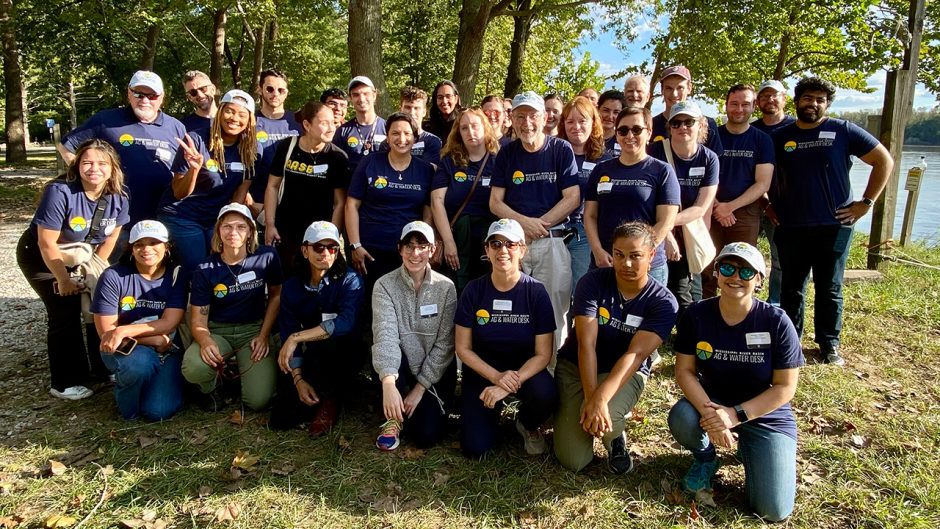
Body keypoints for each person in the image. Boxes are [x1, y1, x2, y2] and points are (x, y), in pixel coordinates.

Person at [669, 242, 804, 522]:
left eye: (746, 271)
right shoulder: (695, 315)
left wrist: (734, 415)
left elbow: (785, 388)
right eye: (728, 268)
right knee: (682, 415)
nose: (736, 277)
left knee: (773, 510)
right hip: (712, 401)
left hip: (764, 412)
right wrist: (711, 414)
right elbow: (684, 372)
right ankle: (706, 458)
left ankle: (749, 447)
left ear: (759, 279)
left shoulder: (776, 321)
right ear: (716, 273)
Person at [769, 77, 893, 366]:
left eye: (820, 100)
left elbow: (884, 160)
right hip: (791, 226)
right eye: (808, 98)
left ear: (827, 104)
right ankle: (791, 341)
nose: (813, 104)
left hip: (834, 225)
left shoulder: (842, 130)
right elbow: (762, 175)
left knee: (830, 286)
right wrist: (767, 204)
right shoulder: (780, 137)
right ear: (797, 101)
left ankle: (829, 344)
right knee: (791, 287)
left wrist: (866, 203)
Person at [554, 222, 678, 473]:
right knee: (574, 460)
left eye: (635, 256)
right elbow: (585, 343)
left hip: (625, 372)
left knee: (607, 407)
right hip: (577, 366)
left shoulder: (664, 302)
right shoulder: (592, 283)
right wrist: (592, 399)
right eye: (619, 255)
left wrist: (600, 400)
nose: (626, 264)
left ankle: (616, 440)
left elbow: (636, 354)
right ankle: (585, 411)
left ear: (652, 255)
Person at [17, 139, 130, 400]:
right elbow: (46, 243)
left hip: (83, 256)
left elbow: (111, 237)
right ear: (77, 164)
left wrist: (95, 272)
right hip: (43, 258)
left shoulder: (119, 196)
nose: (94, 169)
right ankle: (65, 380)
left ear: (113, 168)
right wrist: (63, 279)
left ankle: (103, 368)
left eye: (102, 163)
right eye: (87, 162)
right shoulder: (60, 192)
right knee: (64, 308)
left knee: (97, 304)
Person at [455, 219, 558, 457]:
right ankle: (488, 416)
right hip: (484, 372)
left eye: (511, 244)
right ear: (486, 250)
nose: (503, 250)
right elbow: (462, 348)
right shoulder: (473, 290)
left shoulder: (536, 292)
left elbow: (544, 354)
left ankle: (527, 423)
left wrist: (511, 381)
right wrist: (496, 377)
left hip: (525, 370)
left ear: (523, 249)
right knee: (475, 449)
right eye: (496, 244)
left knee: (546, 394)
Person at [490, 91, 580, 351]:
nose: (526, 122)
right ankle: (516, 372)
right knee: (512, 308)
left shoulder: (561, 149)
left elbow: (572, 197)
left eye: (532, 115)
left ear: (544, 117)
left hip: (551, 242)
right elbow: (495, 202)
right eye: (520, 116)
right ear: (512, 119)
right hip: (514, 246)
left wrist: (538, 225)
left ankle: (549, 375)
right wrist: (522, 226)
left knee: (553, 310)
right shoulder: (507, 154)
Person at [182, 203, 282, 411]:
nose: (233, 232)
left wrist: (264, 335)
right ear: (218, 230)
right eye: (227, 226)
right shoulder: (205, 269)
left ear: (250, 231)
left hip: (253, 330)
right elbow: (198, 319)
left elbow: (276, 296)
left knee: (258, 401)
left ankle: (240, 377)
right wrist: (205, 340)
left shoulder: (267, 257)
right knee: (194, 367)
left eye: (240, 227)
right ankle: (209, 388)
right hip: (218, 331)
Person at [270, 221, 363, 435]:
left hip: (342, 352)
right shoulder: (292, 286)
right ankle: (310, 394)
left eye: (332, 248)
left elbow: (346, 322)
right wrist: (298, 379)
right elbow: (287, 331)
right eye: (318, 247)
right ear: (305, 250)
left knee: (333, 346)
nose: (325, 253)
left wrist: (297, 337)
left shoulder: (350, 280)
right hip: (309, 354)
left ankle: (331, 400)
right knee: (281, 419)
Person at [59, 71, 185, 229]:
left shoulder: (176, 127)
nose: (145, 100)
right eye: (139, 94)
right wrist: (86, 176)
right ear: (129, 94)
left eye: (152, 95)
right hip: (113, 215)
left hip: (162, 216)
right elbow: (66, 146)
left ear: (161, 97)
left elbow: (184, 170)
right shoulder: (106, 120)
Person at [372, 221, 457, 450]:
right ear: (399, 249)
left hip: (433, 371)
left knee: (426, 436)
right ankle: (393, 418)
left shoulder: (446, 288)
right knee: (388, 359)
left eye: (422, 246)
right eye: (408, 246)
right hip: (400, 368)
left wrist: (420, 389)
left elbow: (445, 344)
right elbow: (385, 335)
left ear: (433, 249)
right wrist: (389, 383)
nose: (415, 253)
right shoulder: (384, 286)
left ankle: (412, 407)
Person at [91, 220, 187, 420]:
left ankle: (148, 386)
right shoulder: (113, 276)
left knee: (158, 411)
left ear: (166, 247)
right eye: (139, 244)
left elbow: (169, 322)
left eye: (154, 243)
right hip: (127, 350)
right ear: (131, 248)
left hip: (165, 351)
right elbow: (107, 335)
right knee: (140, 364)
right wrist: (154, 340)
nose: (147, 249)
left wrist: (124, 331)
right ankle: (129, 410)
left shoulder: (176, 275)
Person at [157, 89, 258, 271]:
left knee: (223, 261)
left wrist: (226, 224)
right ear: (220, 112)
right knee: (199, 267)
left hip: (215, 217)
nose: (234, 118)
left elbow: (240, 192)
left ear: (249, 120)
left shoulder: (251, 150)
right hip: (182, 215)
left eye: (242, 114)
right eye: (229, 111)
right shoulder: (196, 140)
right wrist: (194, 170)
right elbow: (178, 193)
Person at [584, 106, 680, 285]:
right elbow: (590, 215)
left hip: (647, 267)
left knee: (645, 314)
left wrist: (643, 255)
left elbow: (666, 221)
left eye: (636, 129)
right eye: (623, 130)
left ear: (649, 132)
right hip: (605, 261)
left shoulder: (662, 171)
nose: (629, 136)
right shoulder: (601, 170)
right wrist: (597, 250)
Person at [345, 112, 434, 297]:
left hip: (409, 253)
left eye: (407, 134)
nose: (401, 139)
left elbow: (428, 214)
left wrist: (424, 249)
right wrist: (355, 245)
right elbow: (351, 205)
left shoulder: (426, 170)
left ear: (415, 138)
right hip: (370, 252)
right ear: (387, 136)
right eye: (395, 133)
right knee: (368, 306)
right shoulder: (370, 162)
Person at [703, 84, 773, 299]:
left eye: (745, 104)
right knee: (707, 267)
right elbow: (701, 175)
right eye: (734, 104)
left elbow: (763, 183)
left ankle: (739, 316)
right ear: (726, 106)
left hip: (744, 214)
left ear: (754, 106)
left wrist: (729, 207)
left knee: (741, 268)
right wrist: (716, 206)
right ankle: (706, 317)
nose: (739, 109)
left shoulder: (762, 140)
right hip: (709, 210)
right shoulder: (712, 136)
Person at [649, 101, 719, 318]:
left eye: (689, 122)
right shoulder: (655, 153)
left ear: (701, 125)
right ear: (669, 128)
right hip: (656, 225)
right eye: (676, 123)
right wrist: (666, 234)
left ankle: (691, 328)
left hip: (689, 227)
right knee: (674, 285)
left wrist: (669, 225)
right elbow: (650, 201)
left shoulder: (709, 159)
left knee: (691, 283)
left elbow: (700, 207)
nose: (682, 127)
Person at [264, 101, 350, 267]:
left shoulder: (337, 157)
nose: (331, 128)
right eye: (324, 123)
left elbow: (340, 203)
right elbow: (272, 186)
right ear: (307, 124)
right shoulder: (287, 147)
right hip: (285, 233)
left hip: (318, 237)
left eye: (333, 122)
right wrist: (270, 224)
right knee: (286, 283)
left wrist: (331, 237)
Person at [431, 107, 499, 291]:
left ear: (485, 128)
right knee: (457, 288)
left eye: (475, 126)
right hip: (458, 238)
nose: (470, 132)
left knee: (487, 287)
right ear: (458, 133)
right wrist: (448, 242)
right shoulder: (449, 161)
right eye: (464, 128)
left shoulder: (499, 161)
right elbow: (437, 202)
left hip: (489, 239)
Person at [555, 96, 612, 294]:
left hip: (586, 233)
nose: (576, 126)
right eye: (570, 121)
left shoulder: (606, 160)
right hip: (555, 231)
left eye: (582, 120)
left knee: (582, 289)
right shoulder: (554, 153)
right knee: (557, 291)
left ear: (593, 123)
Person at [752, 80, 795, 306]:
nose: (770, 100)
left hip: (783, 206)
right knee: (745, 254)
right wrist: (763, 202)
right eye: (764, 96)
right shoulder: (753, 130)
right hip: (752, 202)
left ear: (784, 98)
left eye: (774, 95)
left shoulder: (797, 128)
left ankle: (776, 303)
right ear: (757, 102)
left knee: (780, 259)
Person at [252, 69, 302, 221]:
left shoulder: (298, 122)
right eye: (270, 89)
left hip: (293, 201)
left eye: (281, 90)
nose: (275, 94)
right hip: (257, 201)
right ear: (259, 89)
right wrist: (248, 198)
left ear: (287, 93)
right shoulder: (249, 121)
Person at [649, 65, 723, 156]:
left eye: (680, 88)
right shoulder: (651, 125)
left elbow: (715, 163)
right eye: (669, 88)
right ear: (662, 90)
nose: (674, 94)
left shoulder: (708, 125)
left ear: (689, 88)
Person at [333, 76, 387, 173]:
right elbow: (336, 168)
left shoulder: (388, 128)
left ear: (374, 95)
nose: (361, 99)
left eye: (366, 94)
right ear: (350, 98)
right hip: (353, 186)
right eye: (356, 95)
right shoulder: (342, 131)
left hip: (381, 185)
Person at [382, 86, 443, 166]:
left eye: (416, 108)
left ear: (424, 112)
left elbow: (430, 171)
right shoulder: (389, 142)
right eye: (408, 107)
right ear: (400, 109)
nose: (412, 112)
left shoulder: (433, 142)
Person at [597, 90, 625, 157]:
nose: (610, 116)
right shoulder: (586, 137)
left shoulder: (625, 140)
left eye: (616, 112)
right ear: (597, 110)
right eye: (606, 110)